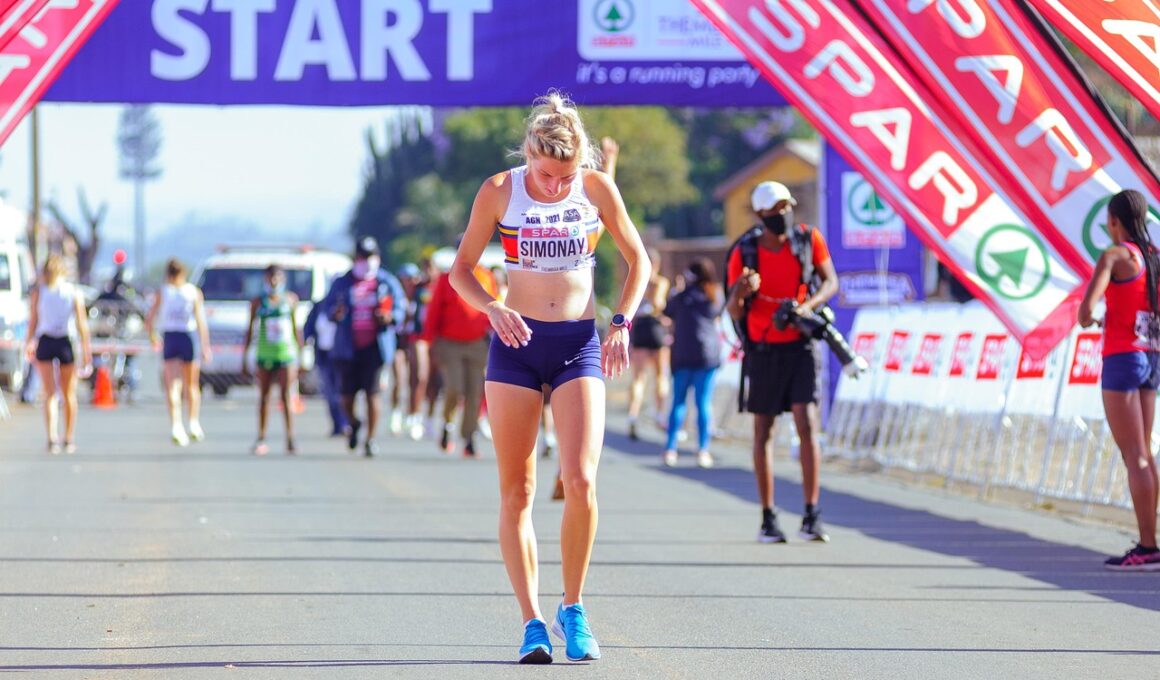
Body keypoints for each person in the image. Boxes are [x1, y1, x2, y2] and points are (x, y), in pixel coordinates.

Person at [449, 91, 649, 664]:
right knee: (518, 490)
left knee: (580, 480)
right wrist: (492, 307)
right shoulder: (499, 190)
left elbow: (639, 260)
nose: (557, 186)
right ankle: (531, 621)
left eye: (566, 176)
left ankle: (573, 607)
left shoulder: (596, 188)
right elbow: (460, 270)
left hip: (577, 345)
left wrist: (621, 323)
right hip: (516, 347)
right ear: (529, 155)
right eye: (546, 175)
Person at [726, 180, 838, 544]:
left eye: (787, 206)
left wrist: (807, 307)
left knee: (807, 423)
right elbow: (733, 310)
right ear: (761, 214)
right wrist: (742, 291)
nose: (783, 214)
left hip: (801, 345)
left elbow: (831, 282)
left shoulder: (808, 239)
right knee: (764, 431)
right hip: (763, 350)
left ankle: (812, 514)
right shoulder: (745, 252)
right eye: (775, 209)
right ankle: (768, 517)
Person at [1078, 189, 1160, 571]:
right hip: (1151, 357)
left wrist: (1095, 319)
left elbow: (1085, 310)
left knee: (1135, 456)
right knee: (1144, 453)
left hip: (1122, 358)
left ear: (1114, 221)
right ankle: (1149, 543)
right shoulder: (1154, 257)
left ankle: (1148, 545)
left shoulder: (1115, 256)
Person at [318, 237, 406, 457]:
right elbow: (327, 308)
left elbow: (400, 308)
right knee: (345, 397)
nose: (366, 262)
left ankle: (370, 439)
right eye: (362, 257)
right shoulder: (342, 282)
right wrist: (335, 314)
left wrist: (389, 317)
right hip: (347, 349)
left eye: (370, 257)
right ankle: (354, 423)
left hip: (375, 347)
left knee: (372, 393)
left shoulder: (386, 282)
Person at [426, 246, 497, 457]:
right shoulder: (447, 277)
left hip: (477, 343)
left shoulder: (486, 276)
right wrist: (429, 341)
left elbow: (494, 304)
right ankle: (447, 424)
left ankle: (468, 437)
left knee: (475, 392)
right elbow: (434, 310)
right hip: (450, 343)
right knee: (454, 388)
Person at [25, 254, 92, 454]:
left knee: (50, 393)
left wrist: (28, 342)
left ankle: (52, 437)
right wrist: (86, 349)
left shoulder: (40, 292)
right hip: (65, 341)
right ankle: (68, 437)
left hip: (47, 341)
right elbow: (82, 324)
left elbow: (33, 321)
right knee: (68, 393)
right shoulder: (72, 291)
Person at [662, 257, 724, 468]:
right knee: (703, 403)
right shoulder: (714, 295)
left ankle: (671, 449)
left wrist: (679, 289)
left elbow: (667, 310)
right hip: (707, 356)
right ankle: (703, 450)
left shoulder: (682, 296)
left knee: (678, 402)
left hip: (683, 355)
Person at [145, 258, 211, 446]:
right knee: (191, 384)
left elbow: (149, 319)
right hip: (187, 337)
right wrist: (205, 345)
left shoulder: (164, 291)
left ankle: (177, 424)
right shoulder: (192, 292)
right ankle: (193, 422)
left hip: (171, 337)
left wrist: (153, 336)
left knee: (173, 384)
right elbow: (200, 321)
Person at [241, 264, 303, 455]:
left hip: (286, 355)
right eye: (270, 277)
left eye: (277, 277)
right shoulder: (258, 302)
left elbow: (296, 329)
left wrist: (301, 355)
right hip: (265, 355)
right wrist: (245, 357)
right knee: (264, 397)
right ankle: (261, 437)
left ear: (283, 279)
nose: (274, 281)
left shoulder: (290, 300)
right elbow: (249, 330)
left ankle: (290, 438)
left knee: (286, 396)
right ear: (265, 279)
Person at [626, 247, 670, 440]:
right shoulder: (660, 282)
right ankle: (660, 415)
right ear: (657, 264)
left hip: (640, 328)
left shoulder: (636, 280)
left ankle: (633, 415)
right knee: (660, 375)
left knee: (638, 378)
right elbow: (659, 305)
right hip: (655, 328)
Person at [304, 281, 350, 438]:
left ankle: (346, 422)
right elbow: (309, 327)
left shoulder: (345, 304)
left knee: (342, 391)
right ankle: (337, 424)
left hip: (341, 355)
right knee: (329, 391)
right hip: (323, 354)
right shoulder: (319, 305)